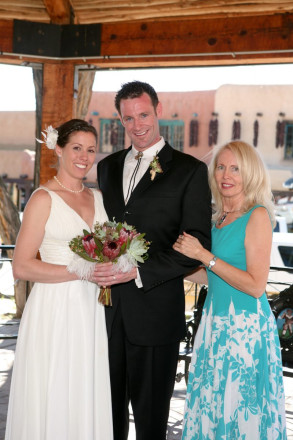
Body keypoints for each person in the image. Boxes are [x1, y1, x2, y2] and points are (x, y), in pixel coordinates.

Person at [93, 80, 212, 440]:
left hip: (157, 312)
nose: (137, 125)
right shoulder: (108, 167)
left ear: (158, 111)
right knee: (105, 413)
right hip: (106, 313)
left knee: (151, 422)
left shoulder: (189, 170)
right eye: (128, 118)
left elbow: (196, 243)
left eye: (143, 114)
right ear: (120, 120)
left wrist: (137, 272)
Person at [5, 119, 113, 440]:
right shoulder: (42, 198)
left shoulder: (98, 198)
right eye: (76, 148)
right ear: (58, 148)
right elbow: (21, 266)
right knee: (54, 387)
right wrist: (79, 271)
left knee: (83, 388)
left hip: (91, 311)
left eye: (90, 150)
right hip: (53, 309)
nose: (84, 156)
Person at [173, 140, 287, 439]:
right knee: (212, 410)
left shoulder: (257, 216)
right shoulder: (217, 220)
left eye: (235, 168)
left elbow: (255, 285)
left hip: (244, 332)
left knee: (240, 414)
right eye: (221, 167)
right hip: (214, 327)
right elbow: (214, 276)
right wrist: (167, 264)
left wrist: (204, 256)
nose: (226, 174)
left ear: (250, 174)